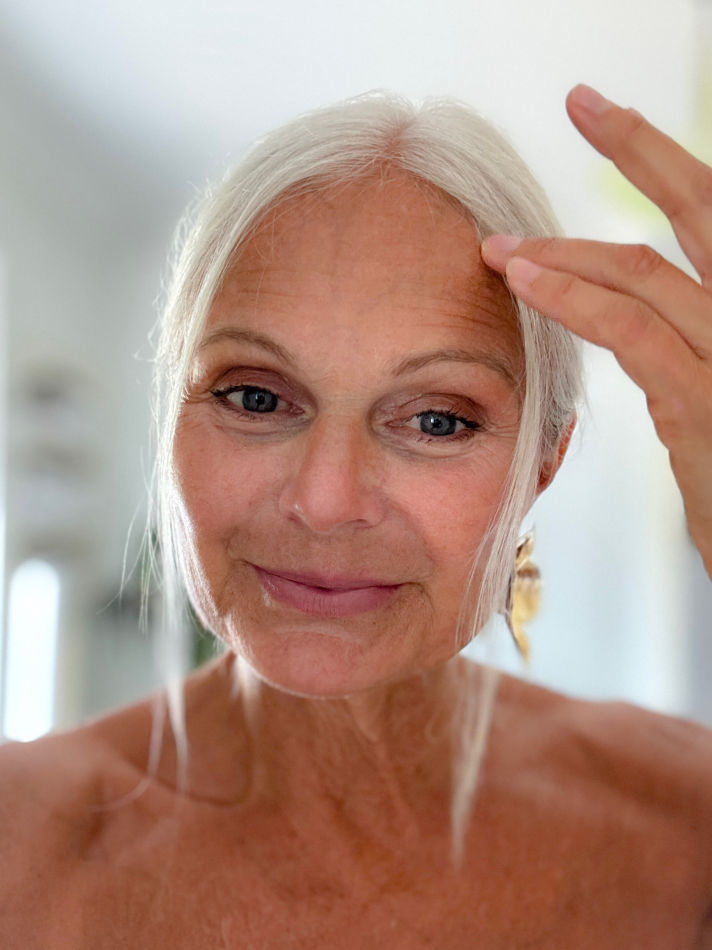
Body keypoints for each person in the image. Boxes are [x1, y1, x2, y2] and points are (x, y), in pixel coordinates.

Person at [1, 82, 711, 949]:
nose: (325, 501)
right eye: (256, 397)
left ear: (543, 464)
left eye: (436, 420)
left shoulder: (685, 831)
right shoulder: (19, 848)